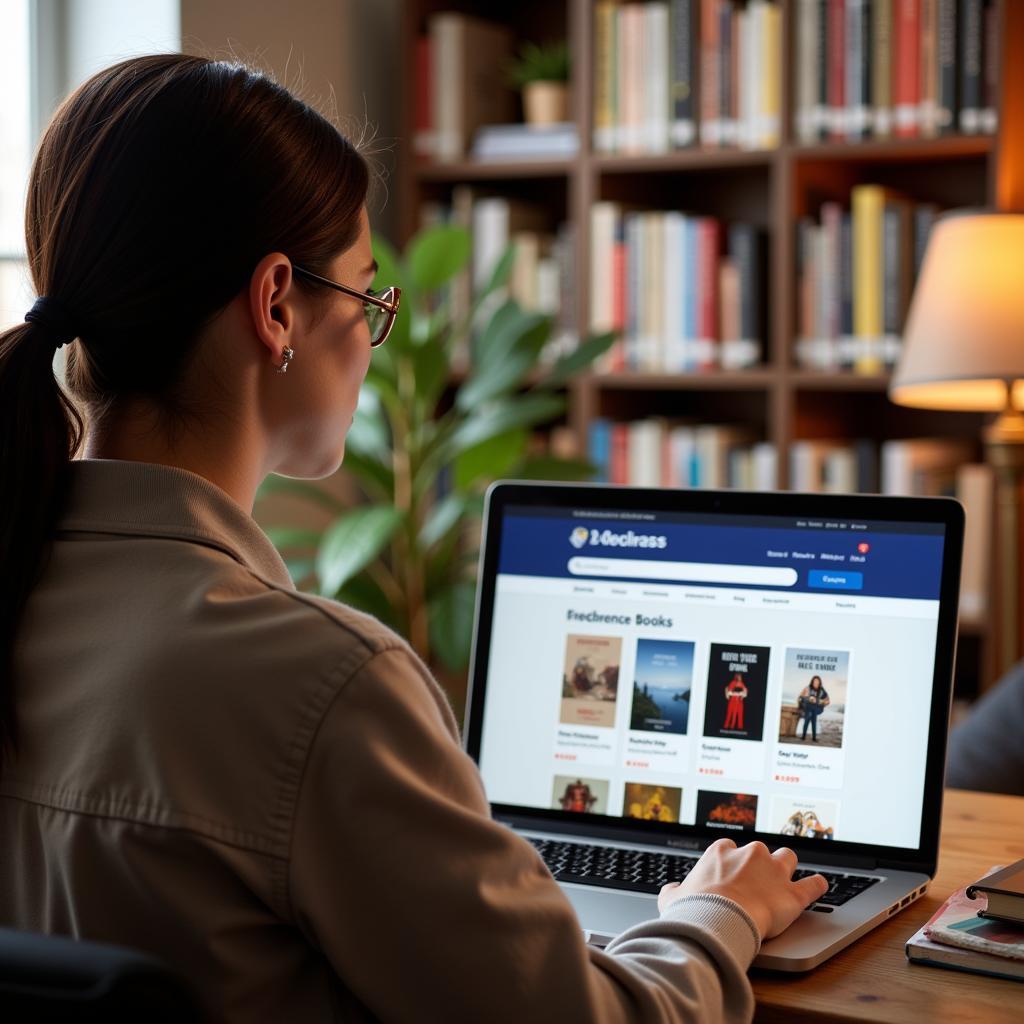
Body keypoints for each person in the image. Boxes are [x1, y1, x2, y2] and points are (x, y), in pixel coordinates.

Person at [0, 54, 828, 1023]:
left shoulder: (23, 589)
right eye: (365, 297)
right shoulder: (324, 687)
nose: (370, 333)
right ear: (276, 309)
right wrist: (713, 913)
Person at [798, 675, 830, 742]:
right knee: (807, 720)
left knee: (814, 722)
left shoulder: (822, 690)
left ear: (819, 682)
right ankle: (805, 736)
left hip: (816, 708)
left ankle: (813, 738)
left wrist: (820, 701)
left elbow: (828, 701)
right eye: (815, 681)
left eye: (817, 681)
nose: (816, 682)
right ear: (812, 681)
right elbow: (800, 697)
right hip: (808, 707)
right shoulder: (807, 688)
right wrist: (808, 698)